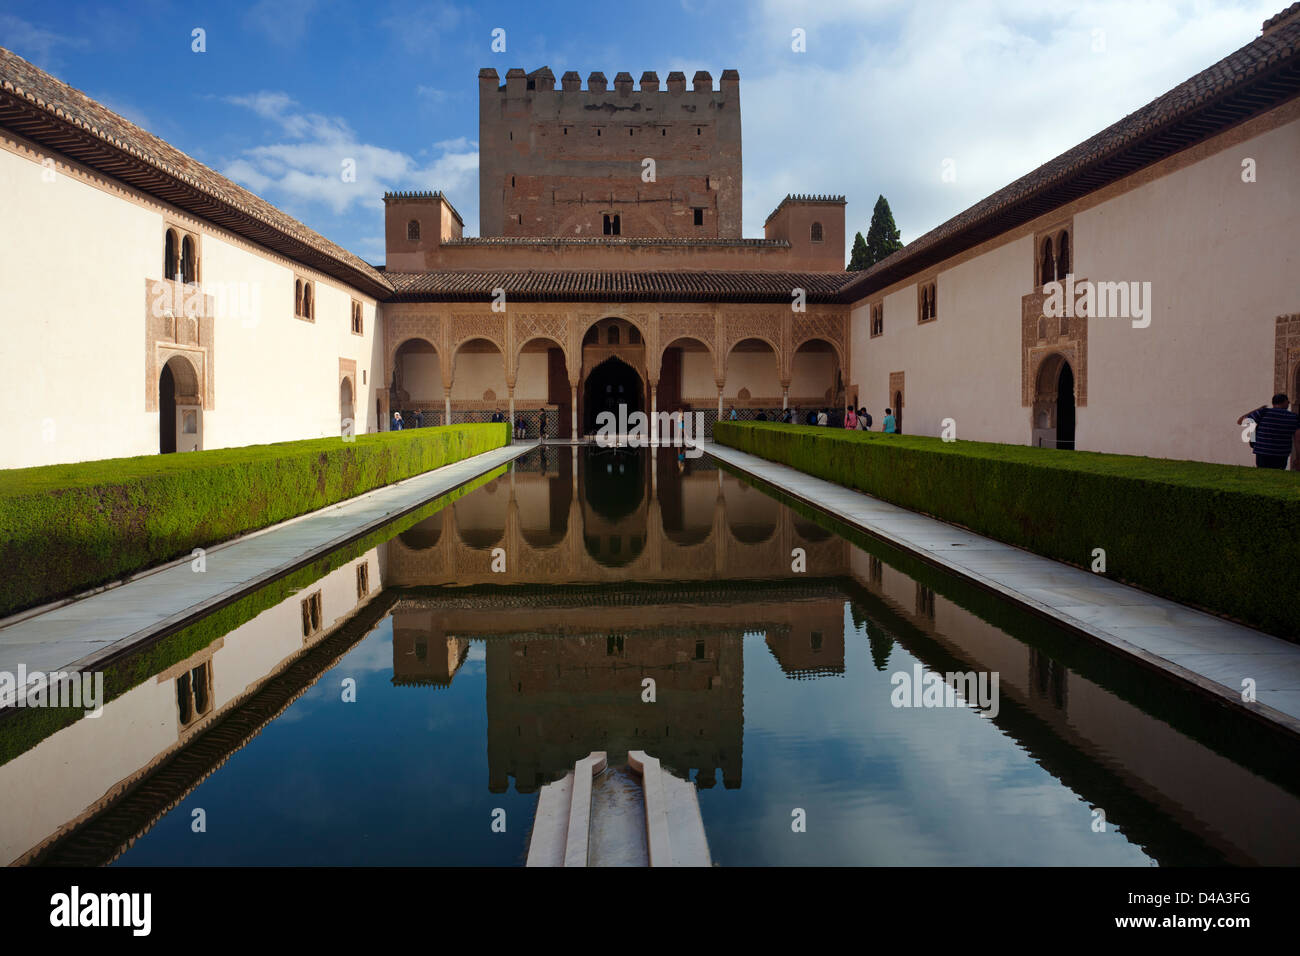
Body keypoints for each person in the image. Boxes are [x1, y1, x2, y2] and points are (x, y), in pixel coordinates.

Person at [1237, 393, 1299, 469]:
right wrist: (1298, 457)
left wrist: (1257, 409)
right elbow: (1297, 439)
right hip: (1281, 454)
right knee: (1278, 476)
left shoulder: (1263, 412)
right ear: (1285, 402)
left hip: (1262, 452)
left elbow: (1240, 421)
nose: (1289, 404)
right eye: (1288, 402)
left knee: (1263, 475)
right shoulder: (1294, 417)